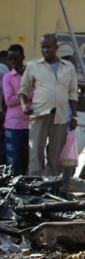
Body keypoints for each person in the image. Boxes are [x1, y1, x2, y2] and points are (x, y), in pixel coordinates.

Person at [19, 34, 78, 177]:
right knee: (36, 151)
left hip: (61, 116)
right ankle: (34, 182)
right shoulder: (33, 66)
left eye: (48, 47)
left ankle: (50, 183)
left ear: (56, 47)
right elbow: (23, 89)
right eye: (42, 47)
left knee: (55, 152)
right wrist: (24, 106)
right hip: (40, 114)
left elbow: (73, 93)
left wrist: (75, 116)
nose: (45, 50)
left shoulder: (68, 67)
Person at [3, 44, 31, 175]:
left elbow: (39, 95)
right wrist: (27, 95)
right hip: (13, 125)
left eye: (16, 58)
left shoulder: (30, 75)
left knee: (27, 161)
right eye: (10, 59)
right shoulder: (7, 77)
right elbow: (9, 101)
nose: (13, 62)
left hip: (30, 124)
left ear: (23, 57)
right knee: (14, 162)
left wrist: (20, 96)